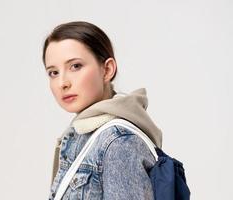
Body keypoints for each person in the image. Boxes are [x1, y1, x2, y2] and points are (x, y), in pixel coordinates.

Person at [42, 21, 163, 200]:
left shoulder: (118, 143)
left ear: (107, 70)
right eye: (53, 72)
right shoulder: (83, 134)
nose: (63, 83)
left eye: (75, 66)